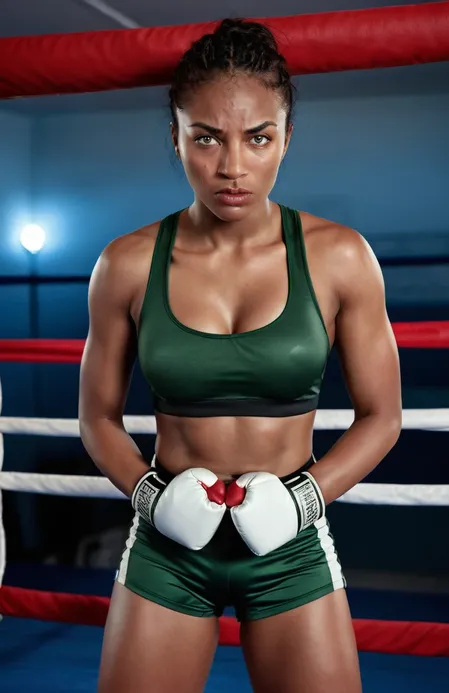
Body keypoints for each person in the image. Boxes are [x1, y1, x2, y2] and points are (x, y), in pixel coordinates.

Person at [78, 17, 402, 693]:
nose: (232, 167)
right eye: (206, 137)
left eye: (258, 138)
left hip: (290, 546)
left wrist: (305, 499)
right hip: (168, 548)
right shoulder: (127, 263)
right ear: (176, 137)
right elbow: (98, 418)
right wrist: (149, 494)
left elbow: (383, 415)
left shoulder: (340, 256)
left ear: (286, 138)